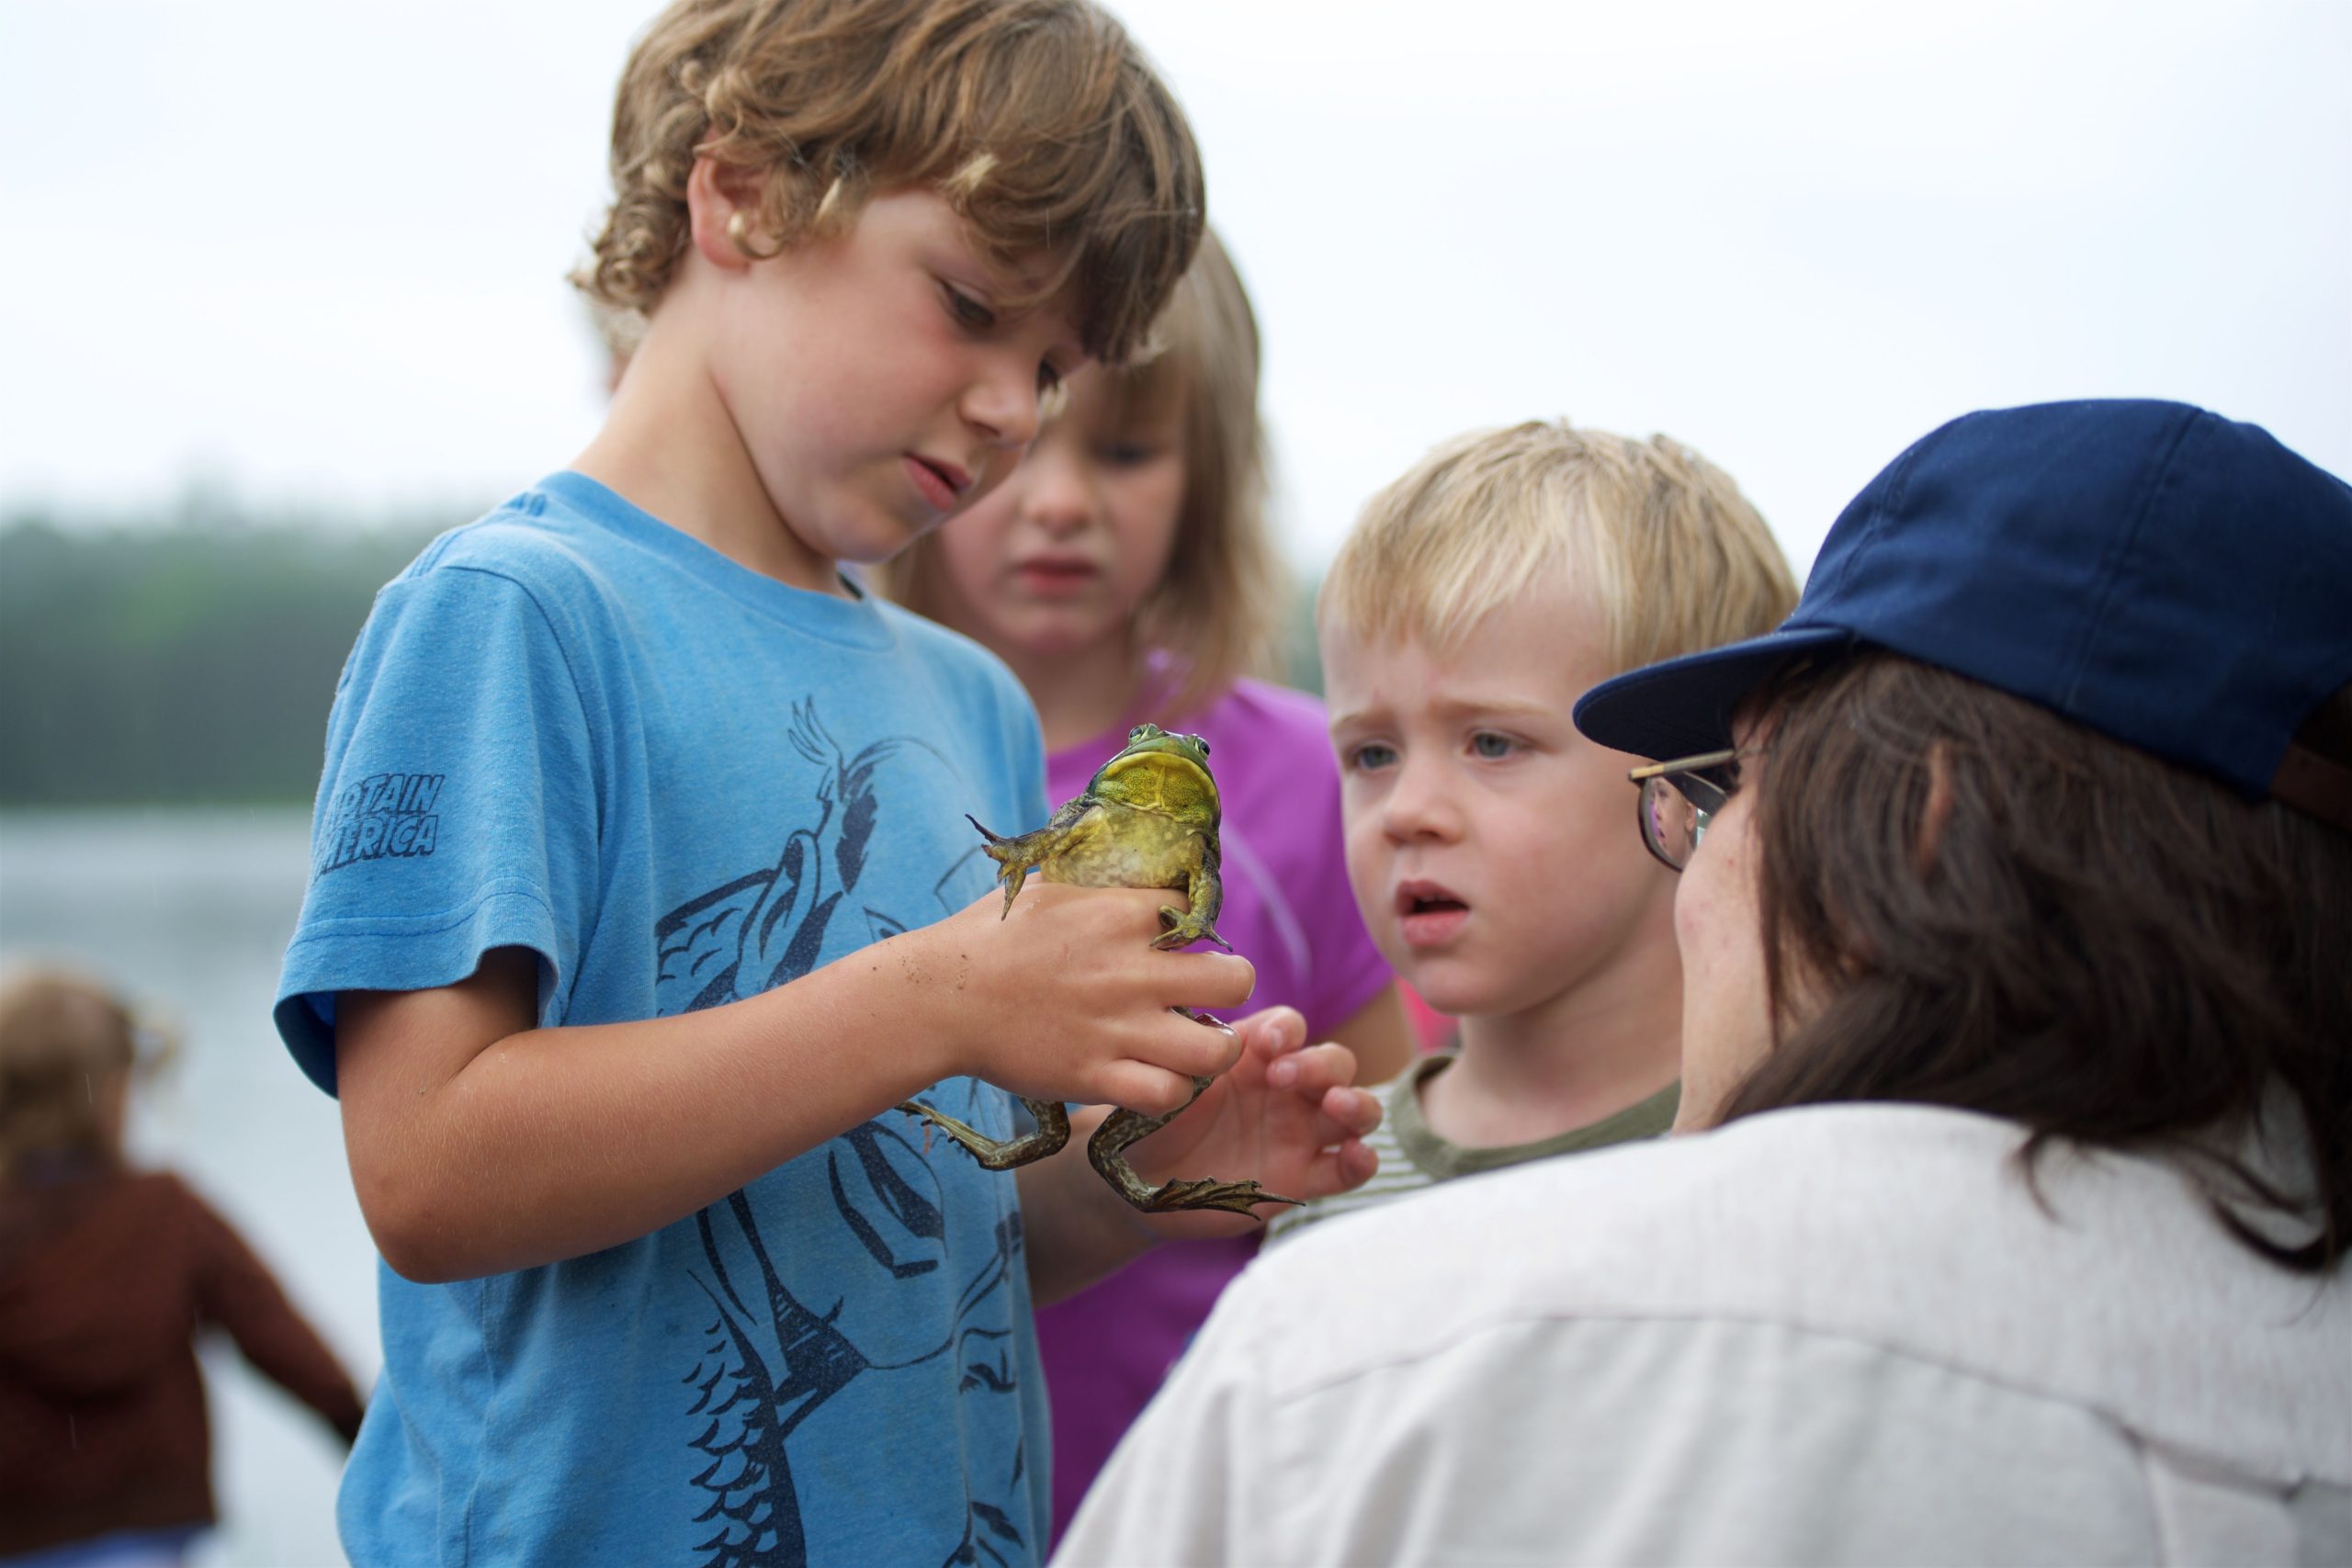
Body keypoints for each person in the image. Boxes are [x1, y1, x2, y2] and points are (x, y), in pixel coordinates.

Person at [270, 4, 1382, 1562]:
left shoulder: (974, 704)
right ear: (744, 201)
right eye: (970, 305)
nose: (1013, 407)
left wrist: (1144, 1180)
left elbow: (952, 1244)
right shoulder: (518, 618)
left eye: (1055, 365)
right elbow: (429, 1169)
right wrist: (938, 999)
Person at [1055, 399, 2352, 1565]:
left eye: (1741, 783)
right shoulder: (1331, 1154)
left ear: (1924, 822)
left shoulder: (1336, 1340)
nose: (1410, 810)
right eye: (1371, 752)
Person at [882, 226, 1413, 1535]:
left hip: (1224, 1502)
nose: (1061, 499)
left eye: (1124, 450)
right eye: (1023, 441)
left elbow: (1385, 1157)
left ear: (1212, 473)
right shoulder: (855, 766)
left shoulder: (1315, 774)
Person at [1262, 421, 1797, 1247]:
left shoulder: (1801, 1148)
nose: (1408, 809)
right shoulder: (1330, 1186)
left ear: (1690, 771)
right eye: (1372, 752)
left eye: (1492, 743)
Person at [0, 966, 364, 1567]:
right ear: (114, 1092)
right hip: (153, 1532)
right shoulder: (166, 1214)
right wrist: (369, 1437)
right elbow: (285, 1346)